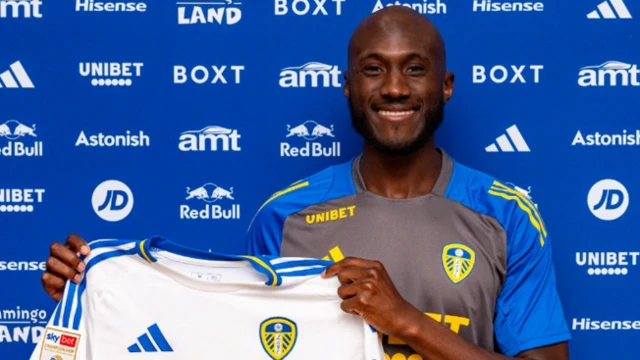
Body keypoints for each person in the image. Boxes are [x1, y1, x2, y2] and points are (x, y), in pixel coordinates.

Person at [41, 6, 570, 359]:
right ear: (347, 86)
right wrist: (99, 287)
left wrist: (407, 321)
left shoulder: (505, 215)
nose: (393, 88)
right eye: (372, 69)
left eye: (414, 69)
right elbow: (232, 339)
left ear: (445, 86)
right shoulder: (285, 216)